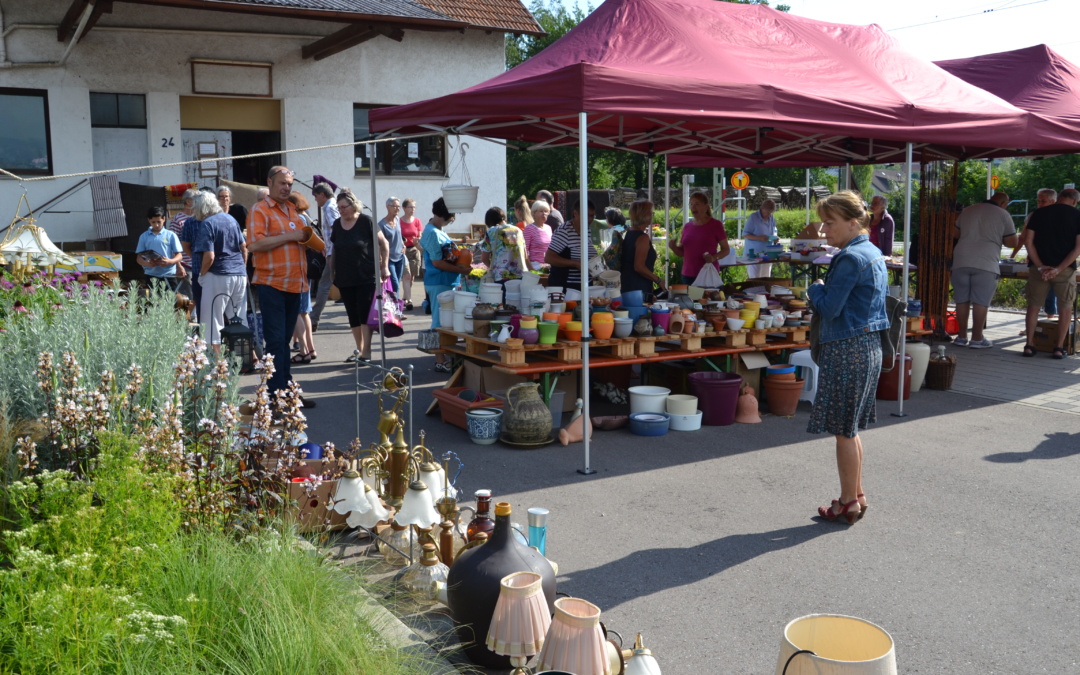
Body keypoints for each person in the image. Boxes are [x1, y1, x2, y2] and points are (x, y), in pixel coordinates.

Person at [806, 191, 889, 525]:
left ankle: (846, 503)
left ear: (853, 222)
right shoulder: (872, 252)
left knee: (843, 431)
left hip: (847, 348)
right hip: (868, 346)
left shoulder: (850, 258)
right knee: (850, 430)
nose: (825, 230)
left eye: (830, 223)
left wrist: (815, 287)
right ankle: (856, 495)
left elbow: (828, 307)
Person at [246, 165, 314, 407]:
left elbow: (296, 239)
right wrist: (292, 237)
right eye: (282, 183)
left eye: (289, 184)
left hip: (295, 284)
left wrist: (309, 242)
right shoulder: (259, 210)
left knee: (283, 341)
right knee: (275, 341)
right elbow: (254, 244)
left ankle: (287, 391)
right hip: (272, 284)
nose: (286, 188)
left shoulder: (291, 210)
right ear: (270, 183)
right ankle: (275, 396)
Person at [951, 191, 1018, 349]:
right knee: (981, 301)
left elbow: (954, 233)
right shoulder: (1003, 214)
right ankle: (977, 338)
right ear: (1003, 203)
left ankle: (961, 337)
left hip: (961, 259)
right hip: (986, 262)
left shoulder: (968, 210)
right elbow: (1012, 242)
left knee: (961, 300)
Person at [332, 189, 390, 365]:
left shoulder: (366, 221)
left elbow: (384, 243)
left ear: (353, 205)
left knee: (364, 313)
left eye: (344, 207)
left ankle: (367, 351)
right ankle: (359, 349)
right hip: (344, 276)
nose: (341, 210)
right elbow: (335, 249)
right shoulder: (336, 224)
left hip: (366, 274)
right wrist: (331, 270)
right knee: (352, 315)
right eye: (339, 207)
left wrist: (385, 266)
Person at [1021, 188, 1080, 359]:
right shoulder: (1077, 216)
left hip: (1038, 269)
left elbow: (1028, 241)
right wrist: (1058, 269)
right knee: (1065, 308)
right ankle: (1058, 347)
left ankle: (1029, 344)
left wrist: (1040, 266)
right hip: (1065, 270)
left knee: (1033, 307)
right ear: (1075, 201)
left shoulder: (1038, 214)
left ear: (1059, 198)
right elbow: (1077, 248)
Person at [190, 191, 248, 356]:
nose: (194, 212)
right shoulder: (230, 219)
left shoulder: (207, 224)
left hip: (218, 275)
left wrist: (202, 274)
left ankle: (217, 360)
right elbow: (244, 248)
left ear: (202, 208)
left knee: (212, 319)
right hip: (238, 273)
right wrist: (242, 269)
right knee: (238, 318)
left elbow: (210, 256)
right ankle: (247, 357)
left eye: (196, 209)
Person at [422, 197, 471, 373]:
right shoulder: (432, 233)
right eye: (453, 215)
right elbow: (437, 262)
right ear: (446, 214)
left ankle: (443, 356)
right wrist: (463, 271)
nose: (454, 219)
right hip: (438, 281)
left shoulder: (436, 229)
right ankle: (439, 359)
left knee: (445, 319)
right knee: (438, 320)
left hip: (445, 280)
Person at [1013, 188, 1058, 324]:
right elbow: (1023, 237)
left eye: (1043, 201)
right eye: (1038, 201)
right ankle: (1033, 329)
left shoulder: (1059, 215)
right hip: (1036, 258)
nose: (1040, 204)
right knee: (1034, 297)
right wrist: (1013, 255)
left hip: (1055, 258)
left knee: (1052, 291)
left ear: (1053, 201)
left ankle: (1050, 325)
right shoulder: (1033, 215)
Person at [668, 191, 729, 285]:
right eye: (691, 204)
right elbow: (682, 253)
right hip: (688, 275)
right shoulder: (687, 226)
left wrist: (713, 258)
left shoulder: (715, 225)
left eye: (697, 204)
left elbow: (726, 249)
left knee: (706, 299)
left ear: (705, 206)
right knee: (690, 299)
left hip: (707, 274)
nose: (693, 207)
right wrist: (673, 247)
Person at [287, 192, 318, 363]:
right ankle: (311, 348)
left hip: (297, 266)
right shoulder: (306, 216)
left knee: (297, 310)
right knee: (305, 311)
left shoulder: (297, 219)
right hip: (306, 267)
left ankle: (304, 350)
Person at [546, 200, 600, 295]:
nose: (590, 219)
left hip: (586, 286)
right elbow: (549, 258)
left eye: (592, 216)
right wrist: (575, 263)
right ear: (575, 213)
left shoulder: (588, 230)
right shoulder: (564, 231)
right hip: (566, 290)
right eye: (586, 215)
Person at [309, 182, 339, 331]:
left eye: (316, 197)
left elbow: (337, 229)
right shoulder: (331, 205)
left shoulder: (329, 207)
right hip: (331, 251)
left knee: (324, 285)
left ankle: (313, 319)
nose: (316, 200)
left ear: (322, 195)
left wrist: (332, 250)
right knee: (327, 284)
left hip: (334, 252)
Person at [620, 199, 665, 297]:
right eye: (650, 212)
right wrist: (658, 280)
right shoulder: (642, 237)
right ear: (644, 215)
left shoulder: (630, 233)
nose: (652, 215)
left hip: (628, 286)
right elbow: (639, 266)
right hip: (638, 289)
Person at [137, 206, 184, 294]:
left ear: (164, 219)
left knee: (170, 302)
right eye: (153, 222)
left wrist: (170, 261)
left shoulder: (171, 235)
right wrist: (147, 263)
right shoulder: (144, 236)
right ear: (148, 220)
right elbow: (139, 258)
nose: (156, 225)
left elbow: (179, 255)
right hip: (151, 275)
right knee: (153, 303)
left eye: (159, 222)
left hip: (169, 275)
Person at [480, 206, 527, 281]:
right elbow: (525, 255)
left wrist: (494, 267)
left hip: (501, 276)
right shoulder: (518, 230)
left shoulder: (491, 231)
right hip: (521, 276)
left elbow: (484, 258)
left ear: (489, 222)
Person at [742, 199, 778, 278]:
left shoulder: (771, 218)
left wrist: (775, 238)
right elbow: (745, 234)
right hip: (754, 254)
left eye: (771, 212)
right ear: (762, 208)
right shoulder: (753, 217)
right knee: (755, 278)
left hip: (767, 254)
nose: (769, 214)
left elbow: (774, 230)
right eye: (768, 212)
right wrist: (759, 238)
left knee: (766, 278)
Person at [379, 196, 405, 296]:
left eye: (399, 206)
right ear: (387, 207)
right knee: (394, 284)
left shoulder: (397, 220)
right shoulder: (381, 225)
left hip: (400, 257)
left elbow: (399, 235)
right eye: (394, 206)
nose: (397, 209)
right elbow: (380, 244)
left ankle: (395, 306)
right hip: (389, 259)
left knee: (397, 283)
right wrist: (381, 261)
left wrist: (403, 245)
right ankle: (395, 305)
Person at [400, 198, 423, 311]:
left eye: (414, 207)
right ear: (404, 208)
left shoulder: (417, 221)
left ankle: (405, 297)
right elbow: (398, 235)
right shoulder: (399, 221)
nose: (413, 209)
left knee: (412, 276)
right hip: (404, 250)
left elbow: (419, 235)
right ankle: (408, 299)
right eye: (410, 207)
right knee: (406, 275)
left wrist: (417, 239)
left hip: (414, 250)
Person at [524, 200, 553, 267]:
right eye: (541, 211)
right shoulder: (529, 229)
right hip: (535, 265)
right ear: (534, 213)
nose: (544, 213)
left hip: (549, 265)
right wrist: (531, 269)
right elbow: (524, 251)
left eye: (546, 211)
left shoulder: (549, 228)